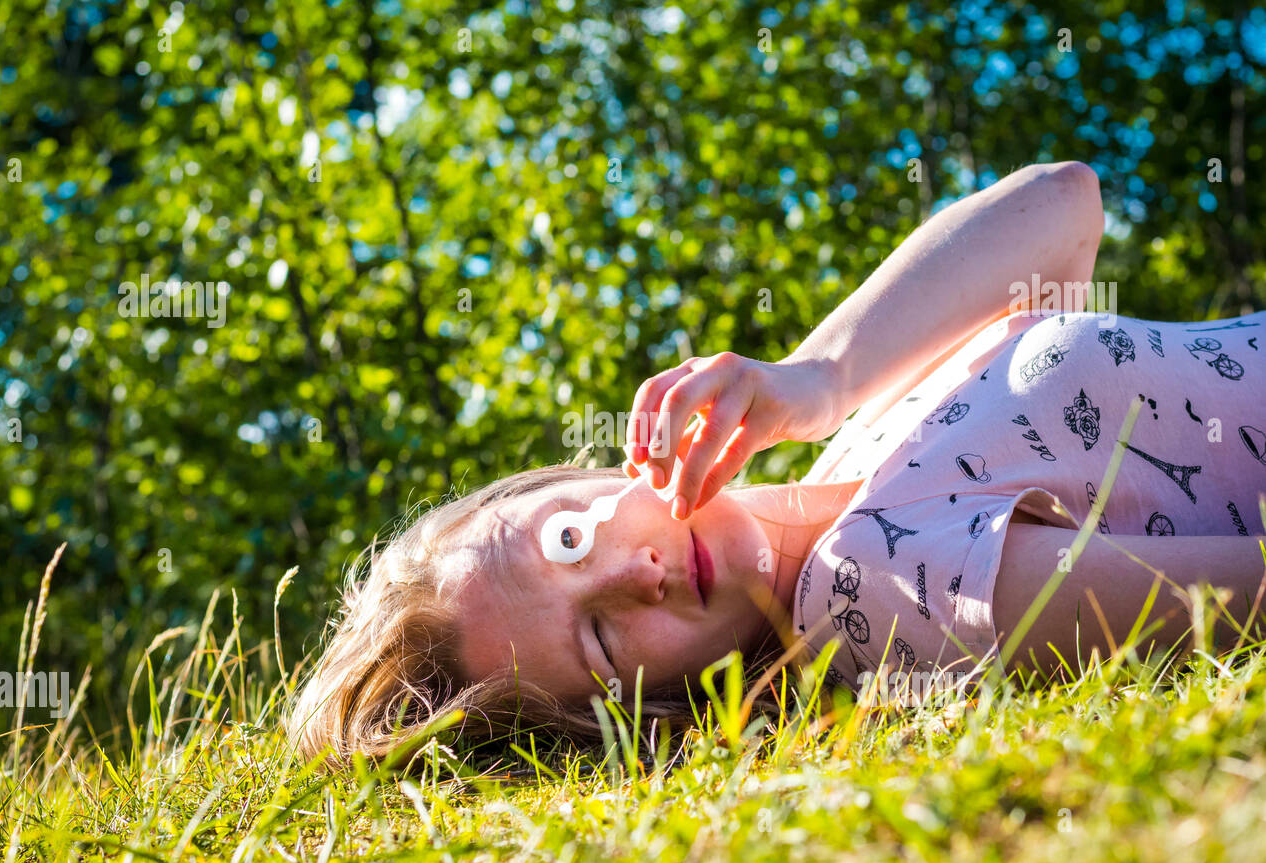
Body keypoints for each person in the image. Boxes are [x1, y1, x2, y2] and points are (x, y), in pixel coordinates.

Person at [289, 162, 1266, 767]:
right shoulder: (872, 590)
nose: (638, 575)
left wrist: (819, 378)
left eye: (571, 539)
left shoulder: (861, 436)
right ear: (645, 710)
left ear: (570, 481)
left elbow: (1061, 205)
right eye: (600, 642)